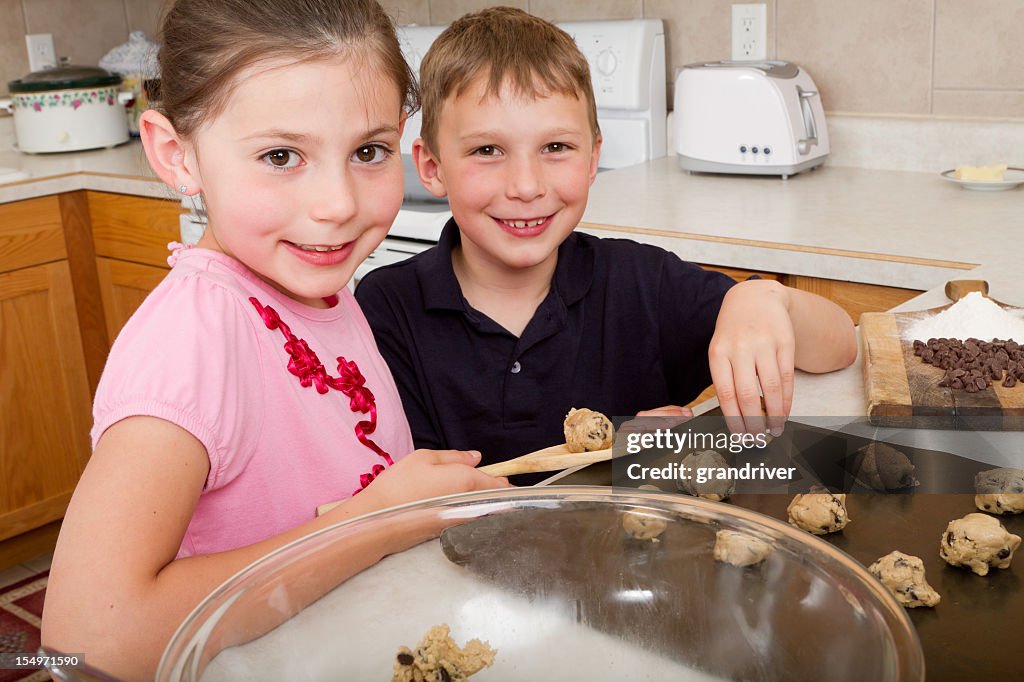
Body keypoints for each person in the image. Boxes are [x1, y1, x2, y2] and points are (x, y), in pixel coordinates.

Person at [41, 1, 507, 678]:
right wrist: (374, 522)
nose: (338, 203)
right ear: (178, 155)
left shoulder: (321, 289)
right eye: (281, 155)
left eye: (367, 151)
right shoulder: (193, 340)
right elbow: (89, 641)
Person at [355, 7, 858, 469]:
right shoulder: (388, 309)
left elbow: (839, 348)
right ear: (431, 166)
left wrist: (762, 298)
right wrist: (617, 456)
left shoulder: (642, 284)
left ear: (594, 157)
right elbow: (417, 497)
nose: (526, 186)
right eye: (488, 150)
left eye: (556, 146)